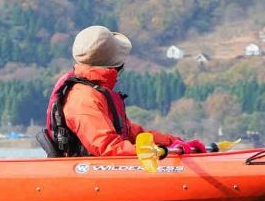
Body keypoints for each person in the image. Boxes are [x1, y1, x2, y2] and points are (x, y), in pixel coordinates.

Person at [43, 25, 206, 157]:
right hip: (91, 175)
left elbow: (131, 133)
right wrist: (148, 152)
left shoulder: (95, 92)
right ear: (115, 64)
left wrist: (173, 142)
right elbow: (106, 147)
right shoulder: (83, 98)